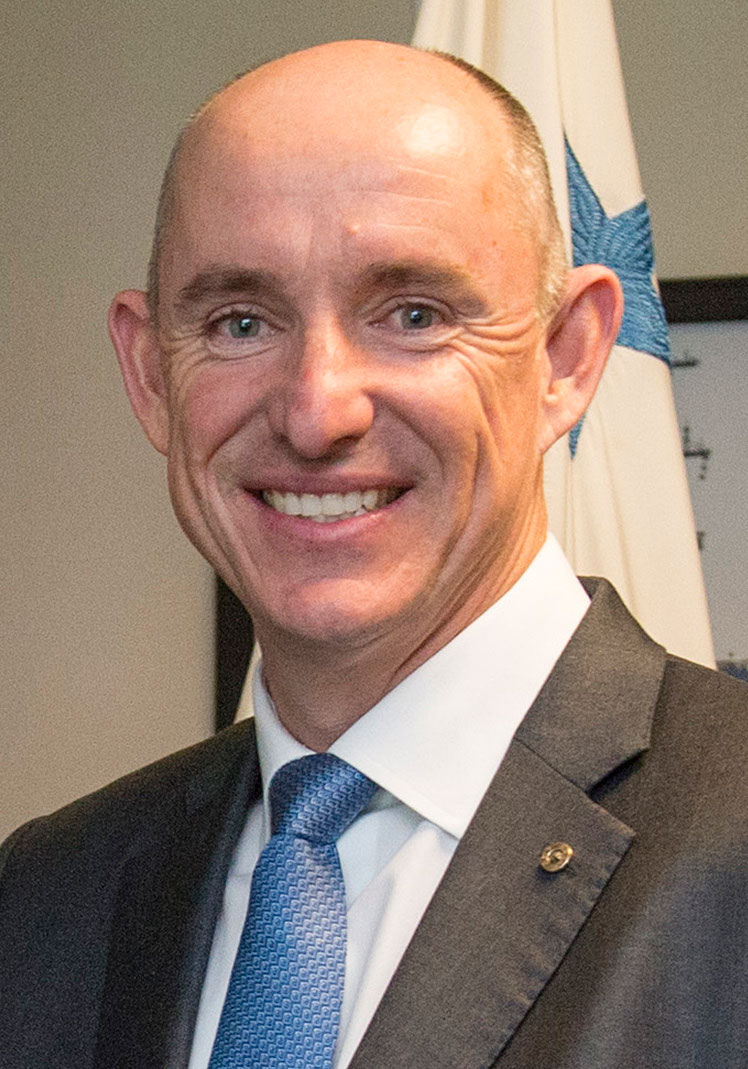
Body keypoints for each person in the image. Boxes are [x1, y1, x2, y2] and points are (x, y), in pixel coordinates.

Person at [2, 39, 748, 1069]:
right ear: (150, 376)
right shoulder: (46, 897)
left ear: (566, 356)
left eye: (413, 315)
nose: (317, 411)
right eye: (241, 321)